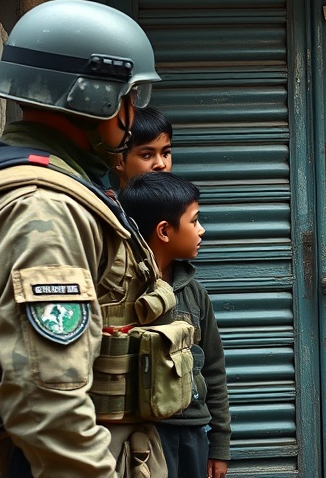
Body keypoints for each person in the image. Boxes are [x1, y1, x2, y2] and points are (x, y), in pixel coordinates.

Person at [0, 0, 175, 476]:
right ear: (94, 96)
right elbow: (48, 405)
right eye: (129, 96)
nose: (131, 113)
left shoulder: (64, 186)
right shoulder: (44, 210)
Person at [118, 172, 231, 478]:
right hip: (142, 437)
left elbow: (214, 369)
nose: (201, 230)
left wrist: (218, 444)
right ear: (164, 231)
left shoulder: (195, 295)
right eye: (194, 221)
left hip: (193, 434)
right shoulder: (121, 294)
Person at [112, 105, 173, 191]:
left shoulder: (181, 201)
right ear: (119, 160)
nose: (161, 164)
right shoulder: (100, 202)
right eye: (146, 155)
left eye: (165, 154)